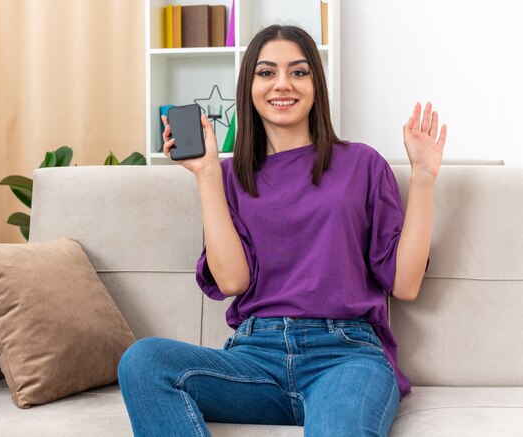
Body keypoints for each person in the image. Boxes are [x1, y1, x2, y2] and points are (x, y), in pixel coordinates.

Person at [117, 24, 447, 437]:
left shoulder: (362, 163)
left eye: (299, 72)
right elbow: (233, 279)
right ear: (249, 86)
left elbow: (405, 284)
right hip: (255, 358)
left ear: (315, 85)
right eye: (267, 72)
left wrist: (423, 176)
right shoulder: (227, 177)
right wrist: (205, 173)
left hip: (345, 356)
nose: (283, 85)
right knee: (144, 360)